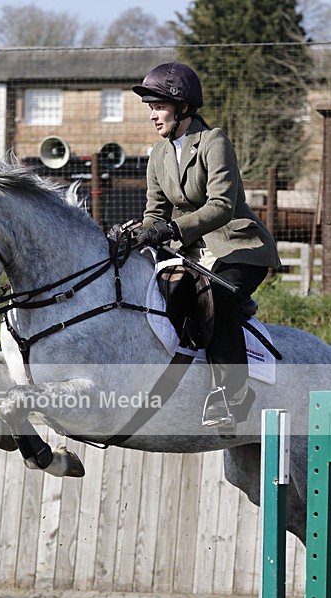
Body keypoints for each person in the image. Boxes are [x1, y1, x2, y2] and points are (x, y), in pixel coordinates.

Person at [130, 61, 280, 427]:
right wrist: (142, 232)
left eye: (159, 107)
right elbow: (155, 212)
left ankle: (234, 394)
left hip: (238, 247)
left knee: (216, 295)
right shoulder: (158, 156)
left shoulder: (214, 142)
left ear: (182, 107)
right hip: (192, 252)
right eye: (150, 108)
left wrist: (170, 230)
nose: (153, 116)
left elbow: (221, 206)